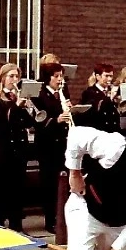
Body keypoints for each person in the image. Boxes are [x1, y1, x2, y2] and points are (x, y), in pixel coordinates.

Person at [0, 63, 37, 232]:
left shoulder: (19, 97)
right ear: (2, 78)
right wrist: (16, 106)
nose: (14, 80)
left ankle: (16, 225)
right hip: (2, 147)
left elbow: (30, 123)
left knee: (18, 188)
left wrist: (29, 110)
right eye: (11, 76)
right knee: (0, 188)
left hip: (20, 147)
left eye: (17, 76)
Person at [32, 62, 72, 234]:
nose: (59, 79)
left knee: (63, 183)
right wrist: (57, 120)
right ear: (47, 78)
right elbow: (39, 121)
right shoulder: (40, 95)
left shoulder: (62, 93)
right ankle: (50, 220)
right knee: (49, 184)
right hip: (47, 146)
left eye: (61, 76)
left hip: (62, 144)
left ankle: (62, 218)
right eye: (56, 76)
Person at [77, 63, 120, 133]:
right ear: (98, 77)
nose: (109, 79)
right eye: (106, 76)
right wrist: (110, 98)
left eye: (111, 76)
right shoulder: (90, 92)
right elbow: (95, 110)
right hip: (99, 131)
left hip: (113, 131)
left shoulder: (111, 91)